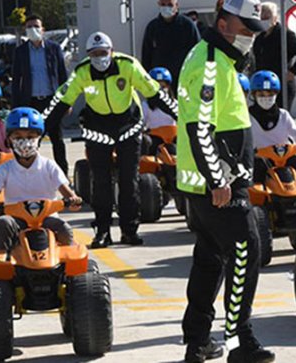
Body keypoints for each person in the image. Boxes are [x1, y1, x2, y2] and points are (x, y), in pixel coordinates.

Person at [177, 0, 275, 363]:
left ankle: (198, 340)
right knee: (246, 251)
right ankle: (238, 341)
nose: (250, 34)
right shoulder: (211, 65)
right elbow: (199, 130)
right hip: (216, 185)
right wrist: (219, 179)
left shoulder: (217, 59)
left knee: (210, 259)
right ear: (223, 25)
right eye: (244, 28)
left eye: (254, 28)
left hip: (203, 182)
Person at [43, 32, 177, 249]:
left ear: (112, 52)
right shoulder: (82, 72)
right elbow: (60, 100)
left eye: (103, 53)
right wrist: (40, 126)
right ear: (88, 55)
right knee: (101, 182)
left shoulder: (128, 66)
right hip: (98, 128)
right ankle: (102, 231)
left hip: (128, 125)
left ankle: (129, 230)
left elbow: (154, 94)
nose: (99, 58)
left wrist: (180, 114)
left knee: (129, 179)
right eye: (94, 54)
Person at [0, 108, 83, 250]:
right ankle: (2, 261)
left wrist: (73, 199)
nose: (25, 142)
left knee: (65, 232)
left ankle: (64, 263)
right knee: (1, 223)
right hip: (16, 218)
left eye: (30, 137)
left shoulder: (49, 165)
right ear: (9, 140)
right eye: (18, 137)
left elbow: (67, 192)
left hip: (47, 218)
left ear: (39, 139)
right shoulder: (5, 168)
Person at [11, 14, 69, 174]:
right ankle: (30, 173)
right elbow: (16, 81)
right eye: (29, 27)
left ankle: (63, 174)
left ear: (43, 30)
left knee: (57, 139)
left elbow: (63, 76)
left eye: (36, 26)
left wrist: (67, 102)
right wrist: (16, 106)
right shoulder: (21, 51)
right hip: (30, 102)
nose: (33, 30)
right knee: (30, 140)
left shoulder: (54, 48)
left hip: (51, 101)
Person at [248, 70, 296, 183]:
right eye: (261, 95)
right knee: (256, 173)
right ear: (253, 95)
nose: (266, 98)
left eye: (270, 94)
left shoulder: (283, 114)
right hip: (261, 159)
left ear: (276, 94)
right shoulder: (248, 116)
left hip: (284, 157)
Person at [252, 1, 296, 111]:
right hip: (262, 86)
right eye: (262, 17)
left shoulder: (285, 35)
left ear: (275, 18)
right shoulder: (259, 39)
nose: (264, 20)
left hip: (282, 86)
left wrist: (293, 72)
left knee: (280, 118)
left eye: (267, 16)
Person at [142, 0, 201, 91]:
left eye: (170, 5)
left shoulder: (187, 25)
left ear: (176, 5)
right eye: (163, 5)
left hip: (183, 79)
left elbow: (198, 51)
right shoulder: (153, 27)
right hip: (159, 81)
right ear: (159, 4)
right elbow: (146, 54)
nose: (166, 8)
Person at [141, 67, 177, 155]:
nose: (161, 89)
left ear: (168, 86)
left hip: (172, 140)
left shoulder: (175, 104)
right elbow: (141, 123)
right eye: (158, 86)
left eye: (164, 86)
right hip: (154, 139)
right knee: (145, 141)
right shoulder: (145, 105)